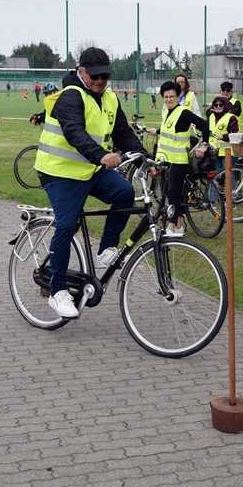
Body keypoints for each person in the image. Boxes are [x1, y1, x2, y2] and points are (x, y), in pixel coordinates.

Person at [35, 47, 149, 319]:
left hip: (88, 169)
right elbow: (74, 131)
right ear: (81, 72)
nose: (101, 81)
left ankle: (106, 249)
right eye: (95, 76)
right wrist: (101, 155)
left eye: (105, 76)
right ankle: (57, 291)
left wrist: (146, 158)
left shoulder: (108, 98)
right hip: (59, 172)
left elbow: (122, 132)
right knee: (66, 224)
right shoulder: (69, 96)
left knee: (124, 192)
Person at [146, 81, 210, 236]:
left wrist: (205, 144)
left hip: (179, 160)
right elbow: (171, 130)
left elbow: (204, 125)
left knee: (173, 192)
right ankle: (179, 224)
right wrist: (157, 131)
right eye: (166, 97)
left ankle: (172, 226)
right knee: (168, 192)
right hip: (166, 159)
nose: (169, 99)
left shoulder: (183, 112)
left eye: (172, 96)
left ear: (178, 96)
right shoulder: (168, 112)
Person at [207, 94, 240, 177]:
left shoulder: (231, 117)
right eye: (216, 105)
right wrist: (195, 123)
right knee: (216, 177)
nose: (218, 107)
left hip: (229, 152)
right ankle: (215, 190)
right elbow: (204, 125)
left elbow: (234, 134)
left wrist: (223, 136)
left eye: (221, 105)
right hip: (215, 152)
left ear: (225, 106)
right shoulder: (211, 116)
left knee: (229, 176)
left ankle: (235, 190)